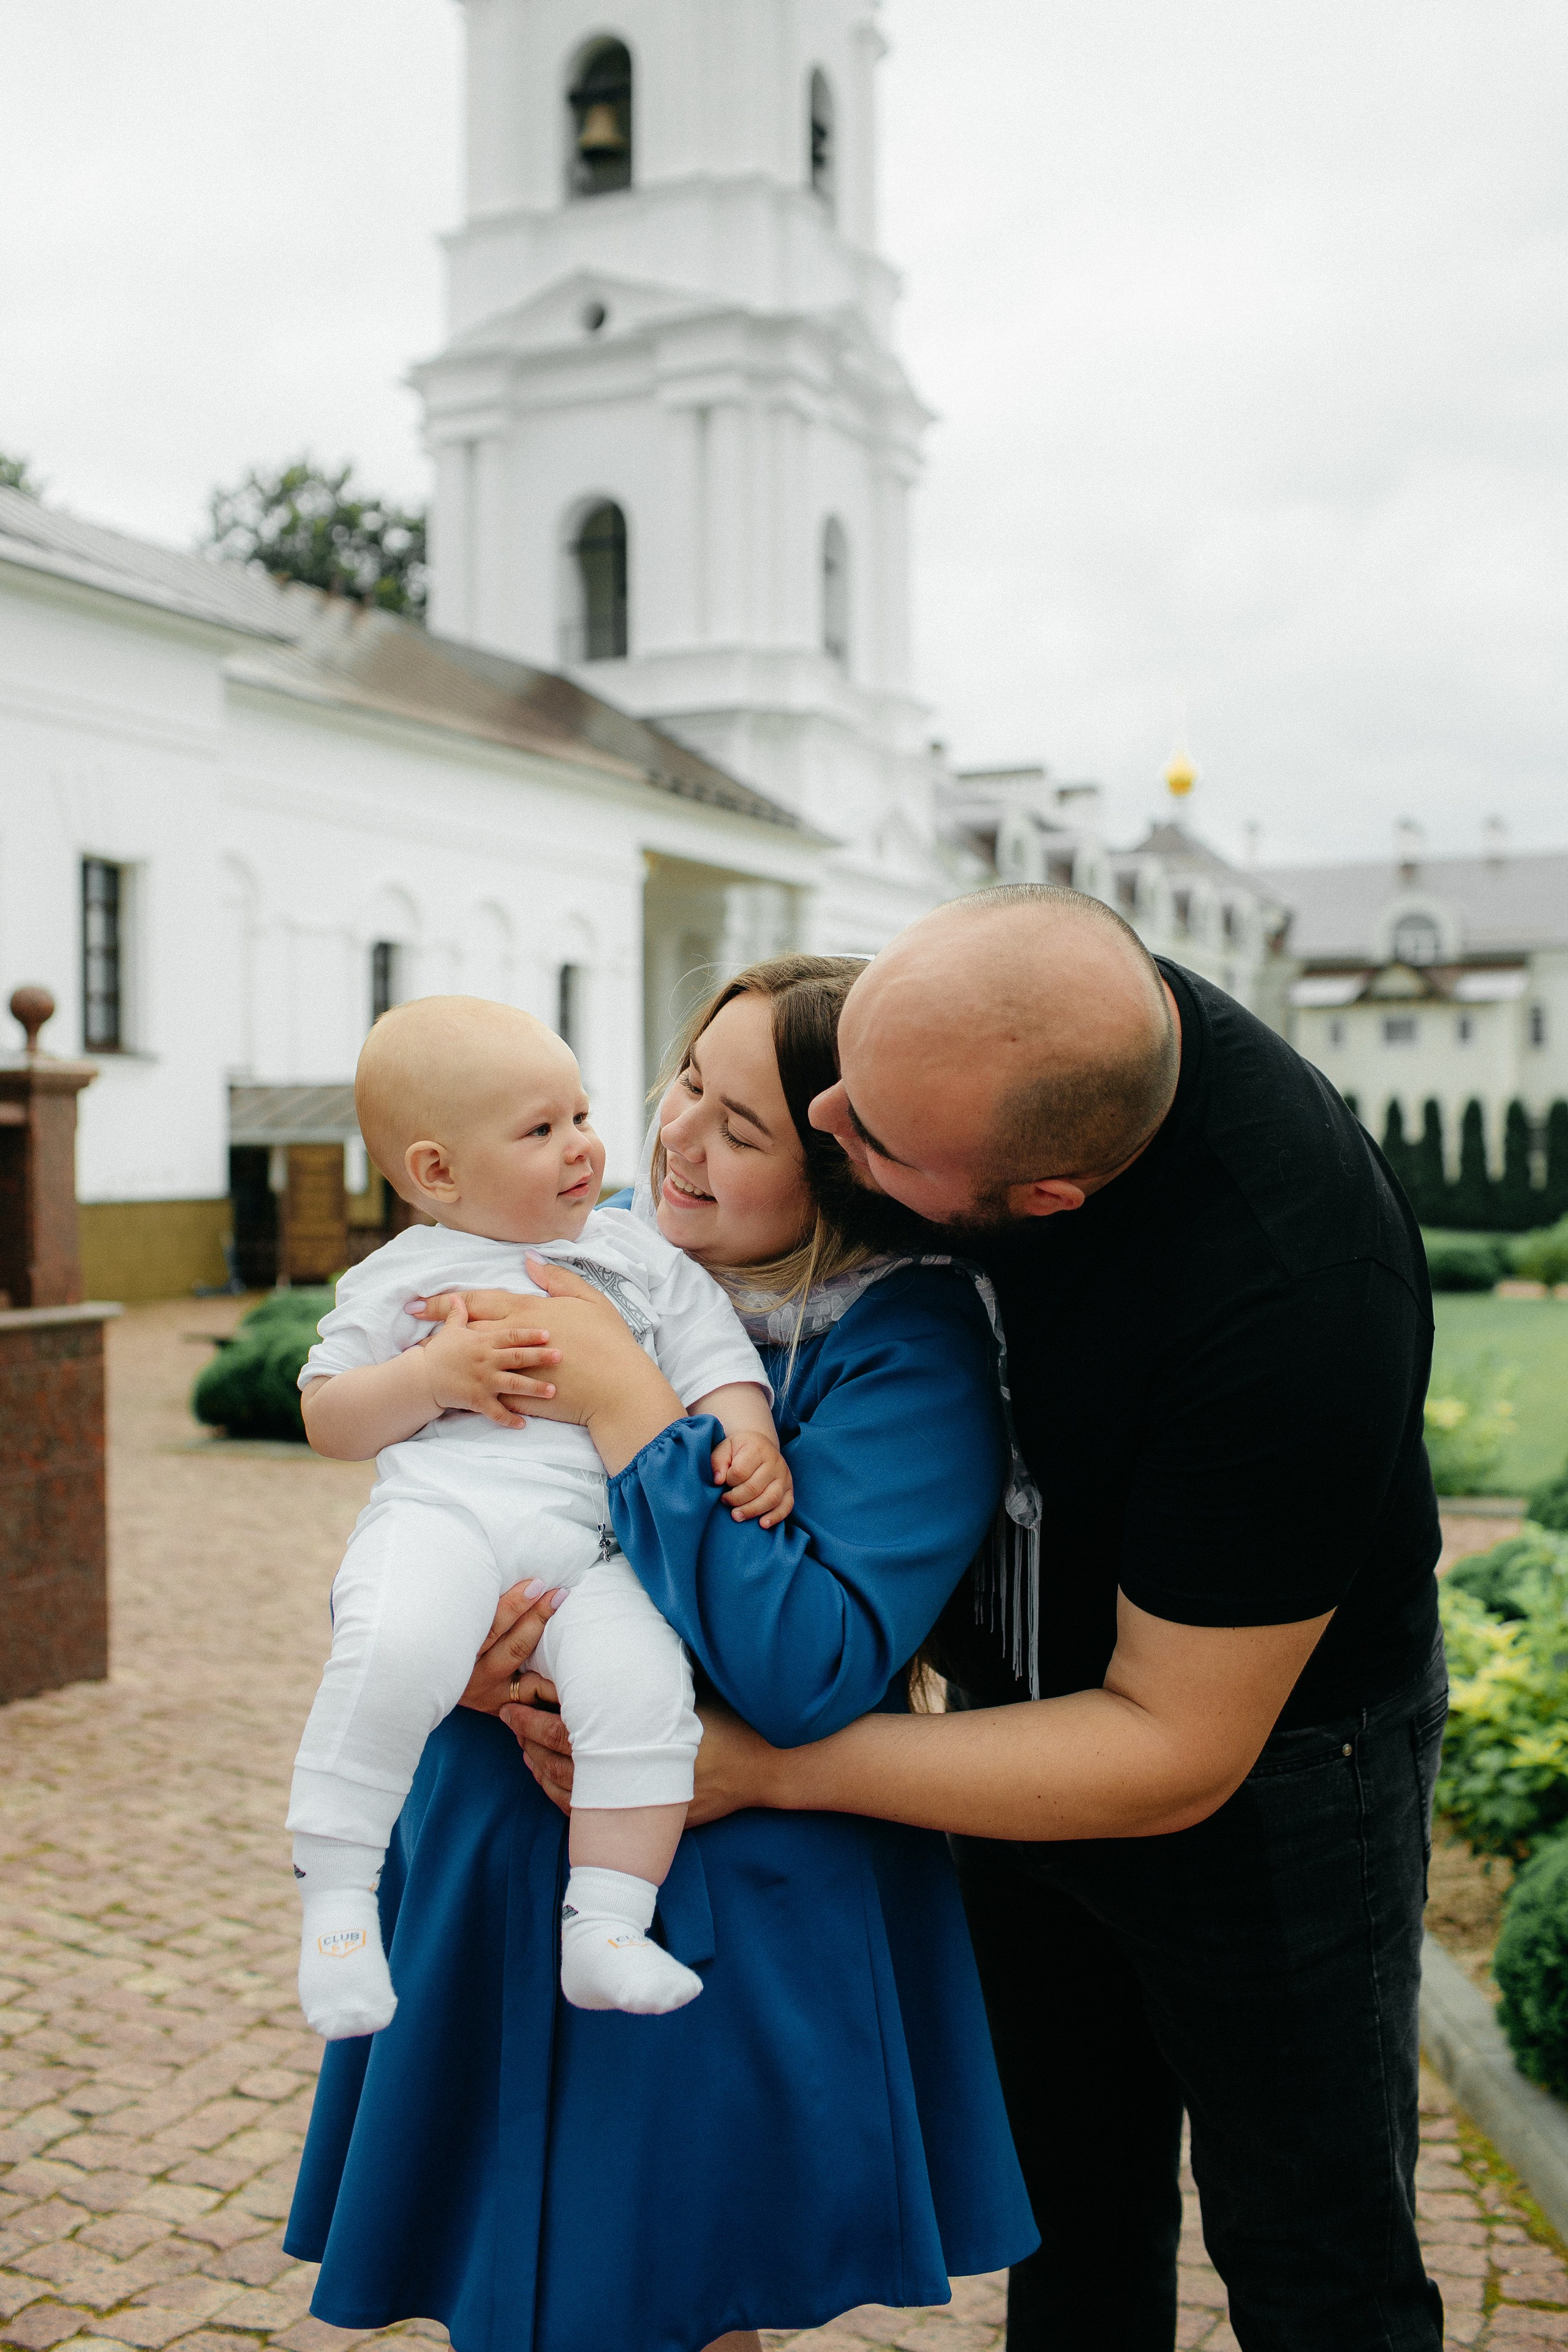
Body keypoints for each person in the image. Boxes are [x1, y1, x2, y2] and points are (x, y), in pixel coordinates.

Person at [514, 886, 1447, 2352]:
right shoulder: (1007, 1025)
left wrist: (760, 1768)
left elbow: (1171, 1749)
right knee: (1063, 2207)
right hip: (1015, 1723)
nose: (824, 1122)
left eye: (870, 1143)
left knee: (1308, 2241)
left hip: (1270, 1776)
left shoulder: (1290, 1296)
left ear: (1042, 1203)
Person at [283, 954, 1039, 2352]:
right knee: (528, 2286)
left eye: (739, 1127)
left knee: (655, 2293)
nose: (671, 1134)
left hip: (713, 1891)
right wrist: (456, 1654)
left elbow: (803, 1663)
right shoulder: (578, 1246)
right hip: (486, 1843)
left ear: (849, 1169)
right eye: (687, 1078)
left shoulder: (902, 1343)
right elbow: (422, 1487)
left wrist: (635, 1403)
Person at [288, 995, 785, 2033]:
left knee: (645, 1693)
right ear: (437, 1172)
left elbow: (714, 1360)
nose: (584, 1146)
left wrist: (751, 1437)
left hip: (596, 1550)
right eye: (540, 1130)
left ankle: (607, 1923)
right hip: (441, 1525)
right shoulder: (399, 1277)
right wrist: (431, 1375)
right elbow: (331, 1417)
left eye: (582, 1115)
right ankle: (337, 1908)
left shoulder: (637, 1254)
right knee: (393, 1652)